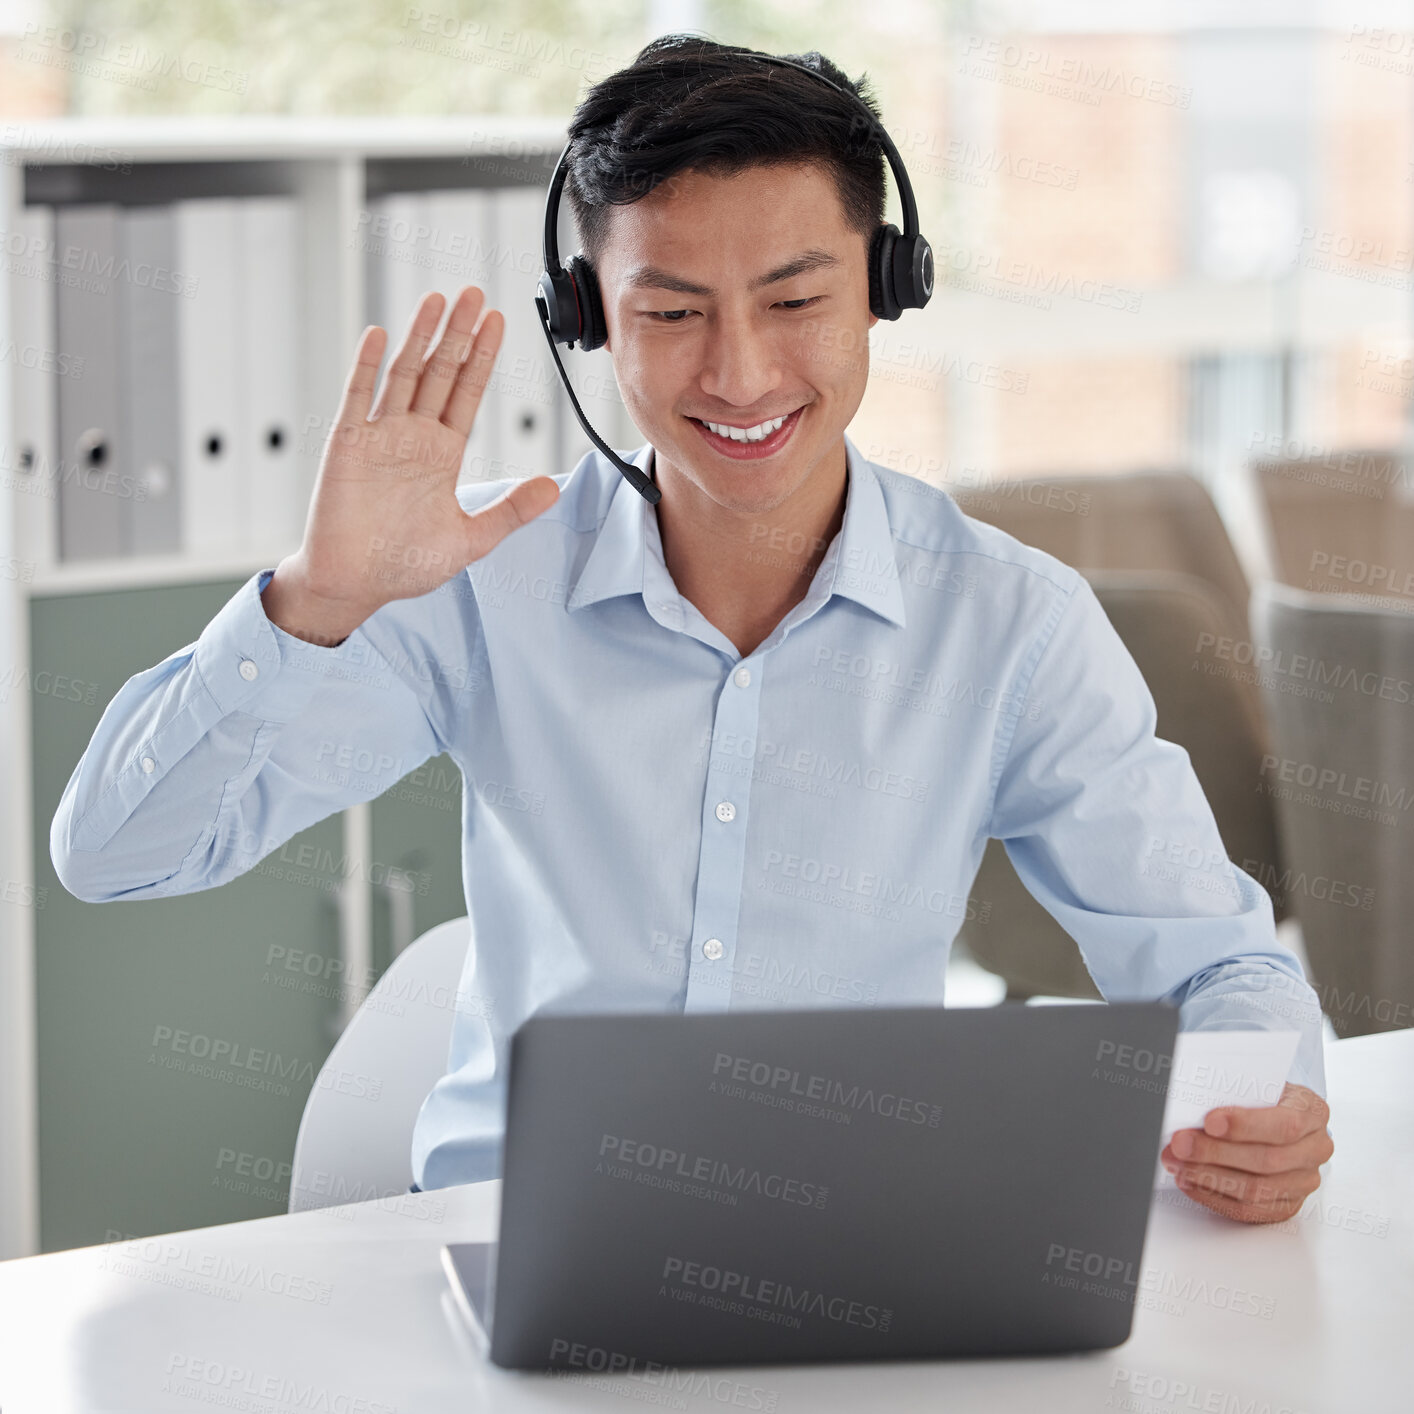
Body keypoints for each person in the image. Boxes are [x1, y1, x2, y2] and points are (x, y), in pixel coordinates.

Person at [51, 35, 1332, 1223]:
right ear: (589, 318)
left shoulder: (1005, 622)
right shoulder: (477, 577)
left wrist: (1273, 1097)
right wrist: (315, 601)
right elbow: (118, 853)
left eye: (792, 301)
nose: (738, 373)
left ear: (888, 288)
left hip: (847, 1259)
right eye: (669, 314)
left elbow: (1215, 961)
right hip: (507, 1241)